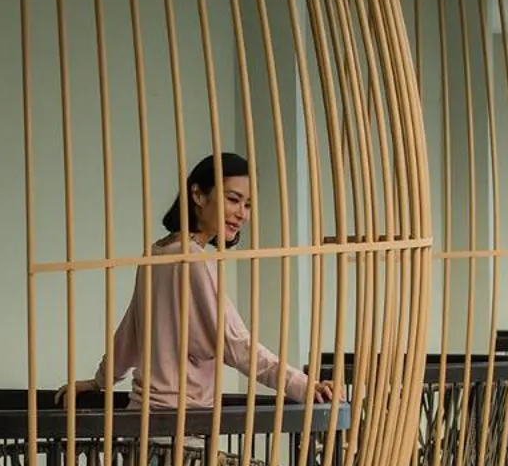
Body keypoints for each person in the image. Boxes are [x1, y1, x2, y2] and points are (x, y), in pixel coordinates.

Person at [60, 152, 338, 409]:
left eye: (248, 204)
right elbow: (236, 344)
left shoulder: (157, 251)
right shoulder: (193, 258)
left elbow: (131, 332)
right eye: (233, 199)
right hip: (182, 424)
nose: (242, 213)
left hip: (142, 421)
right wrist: (303, 385)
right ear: (198, 195)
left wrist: (100, 381)